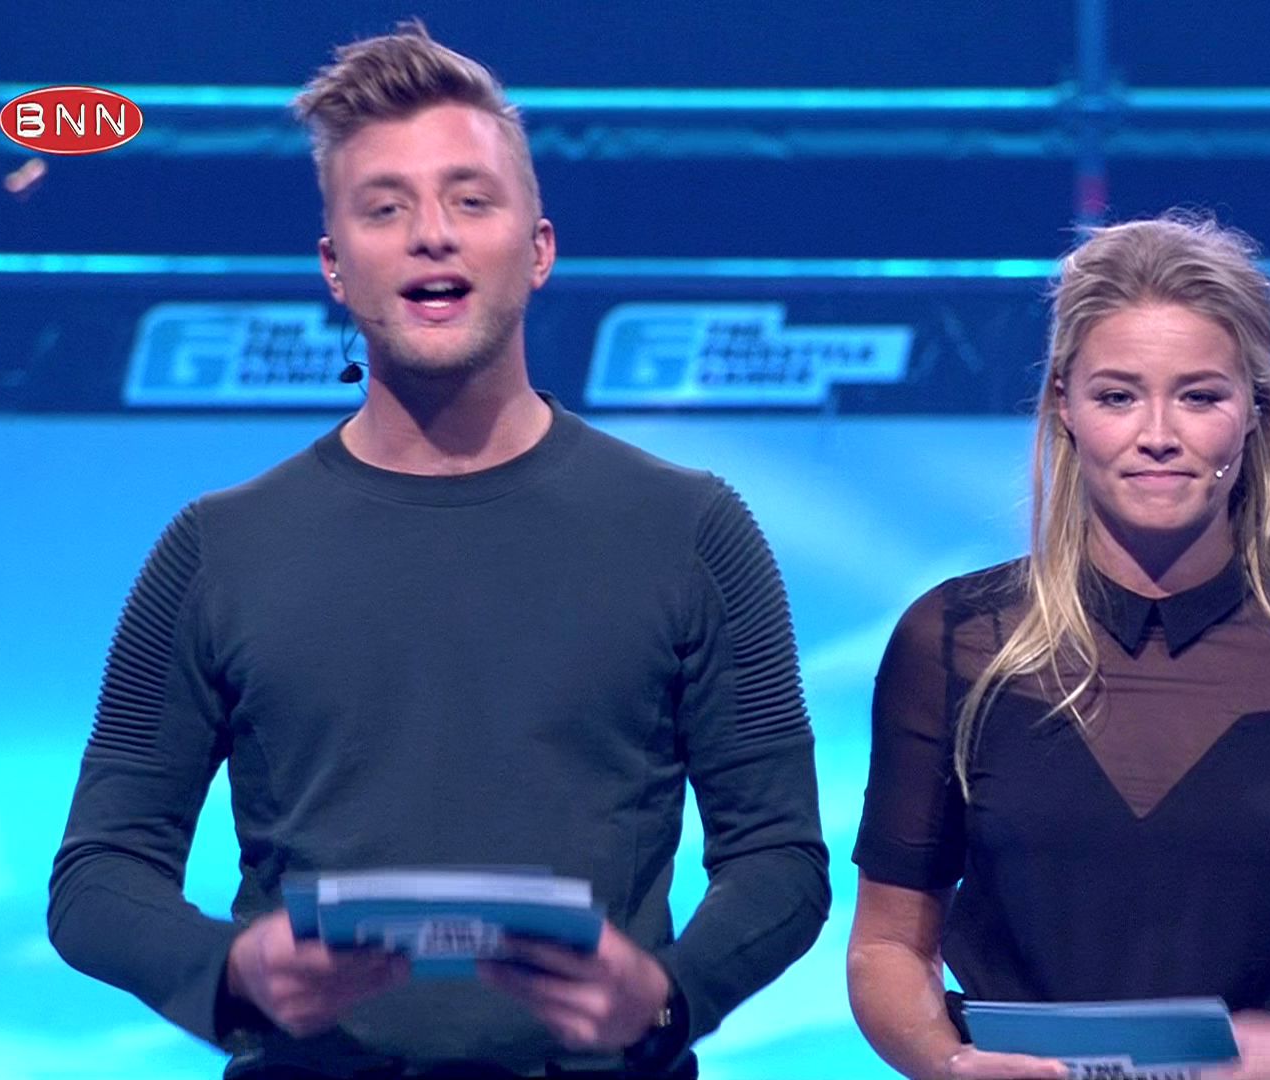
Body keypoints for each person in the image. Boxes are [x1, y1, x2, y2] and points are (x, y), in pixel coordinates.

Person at [48, 21, 828, 1079]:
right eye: (385, 208)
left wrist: (667, 995)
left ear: (539, 249)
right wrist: (231, 972)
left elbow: (781, 860)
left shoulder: (692, 531)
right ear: (334, 267)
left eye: (470, 200)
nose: (432, 236)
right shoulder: (215, 549)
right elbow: (98, 876)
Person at [846, 213, 1270, 1080]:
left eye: (1200, 396)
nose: (1158, 433)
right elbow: (886, 946)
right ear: (1064, 407)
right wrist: (948, 1064)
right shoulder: (956, 641)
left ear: (1254, 412)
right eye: (1118, 396)